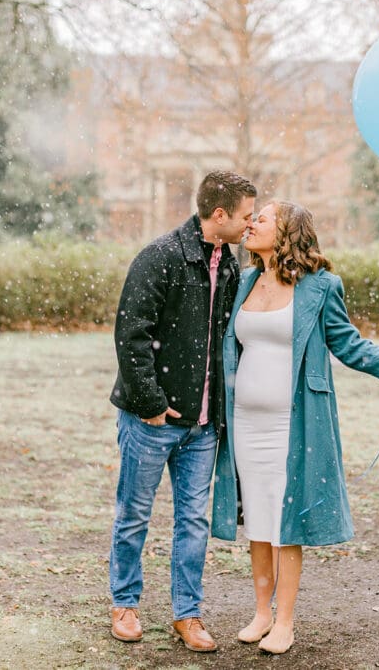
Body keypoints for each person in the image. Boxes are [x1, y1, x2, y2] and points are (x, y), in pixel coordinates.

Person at [211, 200, 379, 654]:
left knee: (288, 519)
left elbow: (346, 342)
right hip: (246, 423)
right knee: (260, 522)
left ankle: (284, 622)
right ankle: (261, 613)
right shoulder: (245, 280)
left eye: (262, 219)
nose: (252, 224)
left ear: (286, 232)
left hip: (295, 422)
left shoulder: (321, 287)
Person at [108, 170, 256, 653]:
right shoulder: (161, 257)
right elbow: (131, 336)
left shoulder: (231, 266)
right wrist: (151, 405)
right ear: (220, 215)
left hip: (203, 426)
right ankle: (125, 604)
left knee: (192, 522)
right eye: (246, 216)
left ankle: (187, 615)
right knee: (134, 515)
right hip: (153, 421)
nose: (250, 224)